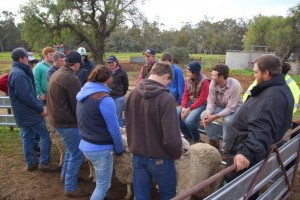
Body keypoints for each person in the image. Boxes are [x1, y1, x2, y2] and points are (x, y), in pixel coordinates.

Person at [223, 55, 294, 195]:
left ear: (266, 73)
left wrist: (245, 153)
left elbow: (262, 130)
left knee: (238, 190)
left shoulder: (270, 97)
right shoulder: (280, 88)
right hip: (256, 150)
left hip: (245, 153)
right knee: (250, 186)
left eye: (255, 72)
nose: (253, 75)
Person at [125, 61, 182, 200]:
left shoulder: (131, 95)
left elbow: (128, 124)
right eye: (169, 81)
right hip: (160, 157)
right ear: (165, 76)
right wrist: (176, 153)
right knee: (168, 195)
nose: (168, 84)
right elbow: (171, 137)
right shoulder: (166, 99)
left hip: (137, 156)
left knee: (141, 195)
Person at [76, 65, 124, 200]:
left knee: (101, 180)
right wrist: (119, 149)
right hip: (100, 149)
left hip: (85, 143)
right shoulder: (104, 99)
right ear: (108, 79)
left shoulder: (83, 94)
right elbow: (114, 129)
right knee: (103, 185)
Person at [8, 47, 59, 172]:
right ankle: (44, 162)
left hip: (22, 112)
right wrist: (40, 109)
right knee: (45, 135)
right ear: (21, 58)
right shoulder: (19, 74)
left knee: (27, 136)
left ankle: (30, 162)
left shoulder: (16, 71)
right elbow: (26, 96)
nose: (28, 61)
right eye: (26, 58)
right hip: (29, 112)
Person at [47, 51, 89, 197]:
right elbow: (78, 103)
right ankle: (70, 187)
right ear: (76, 64)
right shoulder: (70, 78)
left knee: (71, 150)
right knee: (77, 153)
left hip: (57, 119)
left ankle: (65, 175)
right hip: (66, 122)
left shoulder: (57, 73)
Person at [201, 64, 243, 150]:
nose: (211, 77)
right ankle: (214, 141)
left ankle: (226, 148)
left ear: (221, 77)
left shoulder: (235, 86)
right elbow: (211, 102)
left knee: (228, 121)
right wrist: (208, 113)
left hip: (235, 107)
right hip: (221, 106)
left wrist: (214, 117)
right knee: (203, 115)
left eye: (213, 75)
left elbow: (231, 108)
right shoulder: (213, 83)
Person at [177, 61, 209, 143]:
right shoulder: (188, 80)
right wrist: (184, 107)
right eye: (187, 71)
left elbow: (202, 99)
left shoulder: (204, 81)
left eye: (189, 72)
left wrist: (189, 109)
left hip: (201, 104)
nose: (187, 74)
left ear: (195, 72)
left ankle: (196, 139)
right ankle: (187, 135)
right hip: (190, 101)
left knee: (189, 121)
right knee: (177, 114)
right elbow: (185, 94)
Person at [106, 55, 129, 127]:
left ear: (116, 62)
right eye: (109, 63)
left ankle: (120, 134)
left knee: (118, 117)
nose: (110, 64)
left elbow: (125, 85)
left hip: (118, 97)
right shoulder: (106, 72)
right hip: (108, 97)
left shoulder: (122, 72)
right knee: (109, 116)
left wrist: (122, 93)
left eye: (112, 63)